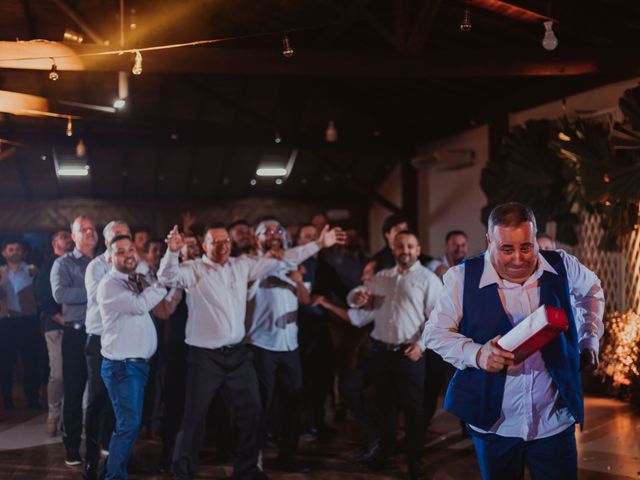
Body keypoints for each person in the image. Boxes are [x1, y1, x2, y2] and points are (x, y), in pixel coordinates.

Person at [421, 202, 604, 480]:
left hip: (553, 421)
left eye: (526, 247)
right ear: (489, 241)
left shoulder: (562, 265)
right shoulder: (461, 278)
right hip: (495, 425)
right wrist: (478, 354)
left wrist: (589, 339)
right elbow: (434, 333)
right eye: (507, 249)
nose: (518, 259)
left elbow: (592, 291)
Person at [158, 222, 345, 480]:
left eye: (226, 241)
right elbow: (166, 277)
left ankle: (246, 469)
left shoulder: (242, 265)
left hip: (237, 355)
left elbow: (284, 260)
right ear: (204, 245)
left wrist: (320, 244)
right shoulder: (193, 270)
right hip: (204, 357)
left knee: (253, 412)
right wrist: (171, 252)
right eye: (216, 242)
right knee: (194, 417)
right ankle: (183, 472)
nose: (223, 246)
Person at [348, 231, 442, 480]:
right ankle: (385, 456)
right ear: (393, 249)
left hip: (410, 354)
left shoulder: (429, 280)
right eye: (401, 246)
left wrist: (421, 345)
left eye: (410, 246)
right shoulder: (381, 278)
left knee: (414, 411)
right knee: (384, 409)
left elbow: (436, 320)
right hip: (382, 353)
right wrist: (356, 297)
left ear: (418, 249)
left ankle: (414, 462)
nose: (405, 250)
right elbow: (357, 298)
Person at [246, 220, 327, 472]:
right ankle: (254, 459)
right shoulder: (250, 263)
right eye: (267, 232)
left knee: (294, 403)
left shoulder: (295, 262)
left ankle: (287, 456)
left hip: (290, 345)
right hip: (261, 344)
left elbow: (306, 301)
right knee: (261, 404)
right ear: (256, 238)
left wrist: (297, 280)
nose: (273, 235)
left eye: (278, 231)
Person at [98, 234, 168, 480]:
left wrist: (174, 254)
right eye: (120, 251)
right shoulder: (109, 285)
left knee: (129, 424)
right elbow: (140, 305)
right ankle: (113, 476)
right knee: (128, 425)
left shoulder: (132, 279)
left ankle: (110, 472)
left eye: (130, 249)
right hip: (122, 367)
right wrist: (164, 284)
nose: (128, 254)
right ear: (109, 259)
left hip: (134, 366)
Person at [83, 220, 133, 479]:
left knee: (124, 406)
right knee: (98, 401)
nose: (122, 240)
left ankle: (118, 462)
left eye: (126, 236)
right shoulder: (96, 267)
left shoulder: (136, 265)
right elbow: (100, 297)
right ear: (107, 241)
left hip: (126, 341)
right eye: (117, 236)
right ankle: (91, 461)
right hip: (101, 339)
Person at [50, 215, 98, 466]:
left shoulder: (104, 261)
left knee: (100, 392)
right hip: (76, 333)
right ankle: (71, 446)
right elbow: (59, 293)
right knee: (74, 390)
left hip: (101, 334)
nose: (90, 233)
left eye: (93, 229)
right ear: (73, 236)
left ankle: (97, 441)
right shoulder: (63, 264)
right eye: (84, 230)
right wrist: (94, 289)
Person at [34, 229, 74, 435]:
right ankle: (53, 413)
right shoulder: (48, 266)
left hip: (77, 326)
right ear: (54, 242)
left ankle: (71, 417)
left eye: (70, 237)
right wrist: (59, 318)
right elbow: (42, 296)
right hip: (56, 327)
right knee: (58, 373)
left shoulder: (76, 264)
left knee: (75, 373)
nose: (69, 240)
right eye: (64, 237)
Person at [0, 239, 41, 410]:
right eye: (11, 249)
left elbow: (40, 292)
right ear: (4, 253)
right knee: (6, 362)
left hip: (28, 320)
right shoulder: (0, 273)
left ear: (23, 252)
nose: (15, 251)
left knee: (31, 361)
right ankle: (7, 400)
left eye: (18, 249)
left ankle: (33, 398)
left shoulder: (32, 271)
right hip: (7, 321)